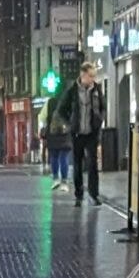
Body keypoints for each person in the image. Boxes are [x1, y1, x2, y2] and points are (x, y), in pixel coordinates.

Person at [55, 61, 107, 204]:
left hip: (91, 132)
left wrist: (100, 119)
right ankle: (79, 194)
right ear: (82, 75)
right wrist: (69, 123)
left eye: (94, 76)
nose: (92, 79)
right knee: (77, 164)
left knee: (92, 164)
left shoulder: (96, 90)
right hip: (77, 133)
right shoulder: (72, 91)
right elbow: (61, 109)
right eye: (90, 76)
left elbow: (103, 107)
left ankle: (93, 195)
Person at [44, 101, 72, 186]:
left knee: (54, 157)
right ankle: (64, 179)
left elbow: (46, 122)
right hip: (64, 135)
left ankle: (55, 178)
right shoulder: (67, 104)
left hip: (52, 135)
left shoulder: (50, 106)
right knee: (64, 158)